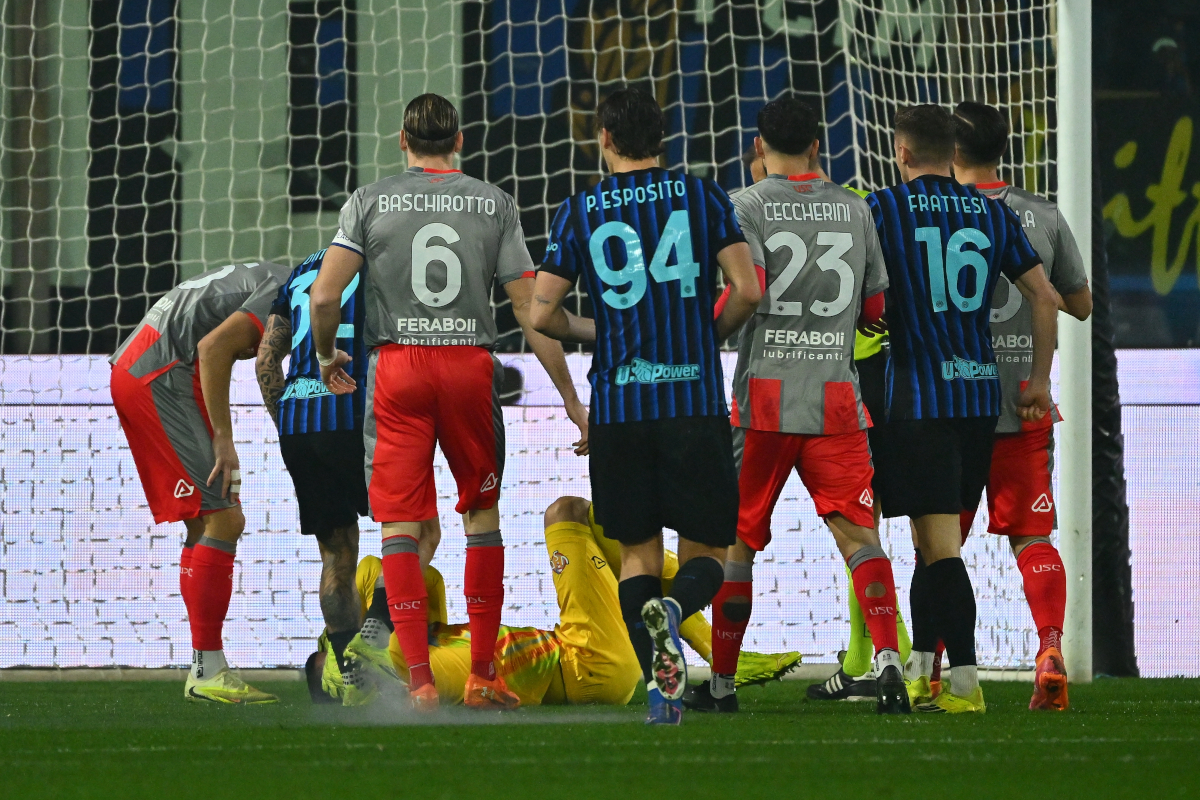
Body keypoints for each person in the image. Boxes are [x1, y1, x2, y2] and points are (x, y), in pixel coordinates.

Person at [308, 93, 586, 712]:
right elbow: (528, 309)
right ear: (459, 140)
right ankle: (484, 675)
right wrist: (569, 395)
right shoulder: (495, 203)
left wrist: (328, 358)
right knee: (480, 515)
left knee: (402, 526)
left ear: (401, 140)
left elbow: (324, 298)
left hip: (398, 368)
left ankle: (420, 684)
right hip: (469, 365)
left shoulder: (369, 201)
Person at [531, 86, 762, 724]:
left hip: (619, 407)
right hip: (692, 399)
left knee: (635, 550)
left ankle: (663, 696)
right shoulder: (703, 195)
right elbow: (747, 288)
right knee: (710, 554)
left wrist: (596, 332)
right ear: (663, 137)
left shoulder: (580, 211)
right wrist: (703, 334)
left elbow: (542, 314)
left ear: (604, 138)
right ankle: (675, 610)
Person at [687, 95, 908, 715]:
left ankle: (723, 685)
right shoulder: (855, 208)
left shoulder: (744, 206)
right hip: (837, 398)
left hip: (763, 400)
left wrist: (708, 336)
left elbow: (743, 292)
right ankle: (888, 662)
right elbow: (872, 311)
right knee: (859, 537)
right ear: (819, 145)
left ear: (759, 148)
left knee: (738, 542)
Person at [864, 104, 1060, 714]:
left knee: (940, 545)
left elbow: (869, 307)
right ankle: (925, 670)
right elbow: (1047, 297)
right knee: (933, 542)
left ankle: (967, 684)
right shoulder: (991, 211)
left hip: (918, 400)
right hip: (979, 398)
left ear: (900, 152)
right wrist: (1038, 383)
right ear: (953, 153)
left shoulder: (882, 210)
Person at [305, 497, 802, 707]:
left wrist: (355, 634)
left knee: (613, 547)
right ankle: (717, 653)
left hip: (581, 648)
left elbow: (401, 575)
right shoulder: (412, 669)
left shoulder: (417, 647)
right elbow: (388, 574)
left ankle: (712, 651)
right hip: (589, 664)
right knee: (565, 512)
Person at [950, 101, 1092, 711]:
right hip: (1025, 405)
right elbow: (1081, 304)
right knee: (1033, 536)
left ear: (952, 152)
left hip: (952, 402)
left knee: (939, 545)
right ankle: (1050, 648)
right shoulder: (1042, 215)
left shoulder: (932, 213)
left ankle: (936, 670)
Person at [108, 259, 291, 704]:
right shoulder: (288, 292)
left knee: (206, 522)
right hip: (160, 377)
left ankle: (204, 666)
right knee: (226, 519)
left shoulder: (282, 275)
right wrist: (223, 438)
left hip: (143, 369)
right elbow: (213, 348)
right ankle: (207, 669)